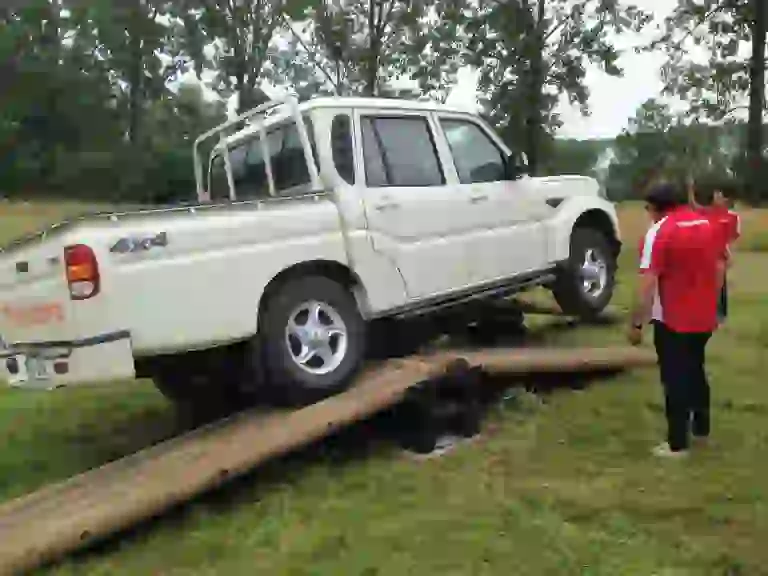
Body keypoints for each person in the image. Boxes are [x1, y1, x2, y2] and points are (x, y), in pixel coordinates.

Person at [628, 181, 727, 458]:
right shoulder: (708, 225)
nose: (648, 214)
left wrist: (637, 323)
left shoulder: (659, 231)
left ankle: (677, 444)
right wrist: (714, 305)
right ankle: (701, 430)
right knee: (695, 368)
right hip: (704, 316)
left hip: (671, 318)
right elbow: (721, 266)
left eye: (648, 208)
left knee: (674, 378)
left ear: (658, 207)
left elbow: (648, 282)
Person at [691, 177, 741, 323]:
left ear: (725, 199)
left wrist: (730, 254)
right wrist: (690, 190)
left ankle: (720, 313)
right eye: (715, 195)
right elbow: (694, 206)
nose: (715, 197)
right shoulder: (708, 212)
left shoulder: (731, 216)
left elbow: (732, 238)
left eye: (718, 195)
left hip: (720, 255)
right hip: (706, 255)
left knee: (720, 285)